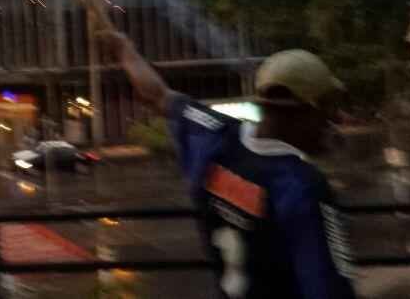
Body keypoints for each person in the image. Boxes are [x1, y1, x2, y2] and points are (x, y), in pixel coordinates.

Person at [106, 33, 356, 299]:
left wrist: (124, 48)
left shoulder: (212, 134)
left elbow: (156, 94)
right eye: (327, 107)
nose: (335, 118)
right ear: (298, 112)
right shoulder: (304, 187)